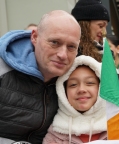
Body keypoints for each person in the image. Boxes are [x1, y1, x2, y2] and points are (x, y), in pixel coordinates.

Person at [0, 10, 81, 144]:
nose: (63, 55)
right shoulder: (2, 69)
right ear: (35, 37)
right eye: (55, 42)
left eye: (71, 46)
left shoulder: (74, 78)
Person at [43, 55, 119, 144]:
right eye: (73, 84)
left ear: (101, 87)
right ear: (63, 91)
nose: (81, 89)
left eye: (90, 83)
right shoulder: (55, 136)